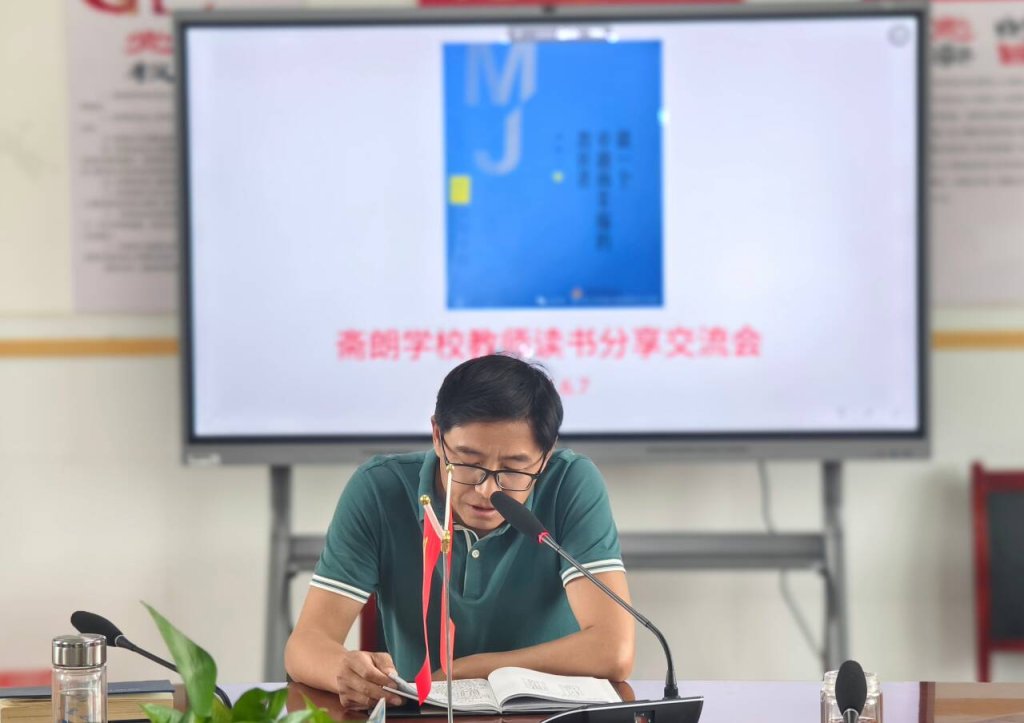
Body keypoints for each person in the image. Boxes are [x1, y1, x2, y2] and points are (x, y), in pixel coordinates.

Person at [284, 354, 634, 709]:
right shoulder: (379, 489)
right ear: (438, 436)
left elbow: (614, 649)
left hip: (547, 714)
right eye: (468, 462)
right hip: (421, 712)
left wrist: (470, 669)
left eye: (513, 468)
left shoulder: (570, 483)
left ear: (545, 456)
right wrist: (344, 671)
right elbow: (305, 645)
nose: (486, 490)